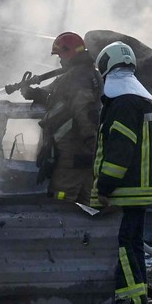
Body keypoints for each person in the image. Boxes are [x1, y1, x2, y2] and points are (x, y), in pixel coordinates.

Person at [89, 41, 152, 304]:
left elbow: (119, 152)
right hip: (138, 192)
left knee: (119, 247)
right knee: (132, 246)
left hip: (123, 192)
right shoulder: (140, 99)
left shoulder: (123, 103)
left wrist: (105, 186)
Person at [21, 31, 100, 202]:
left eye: (60, 55)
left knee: (62, 201)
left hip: (72, 154)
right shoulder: (79, 74)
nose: (59, 60)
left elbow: (83, 110)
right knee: (87, 201)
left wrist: (91, 143)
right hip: (78, 153)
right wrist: (33, 93)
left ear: (68, 52)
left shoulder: (79, 76)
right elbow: (55, 95)